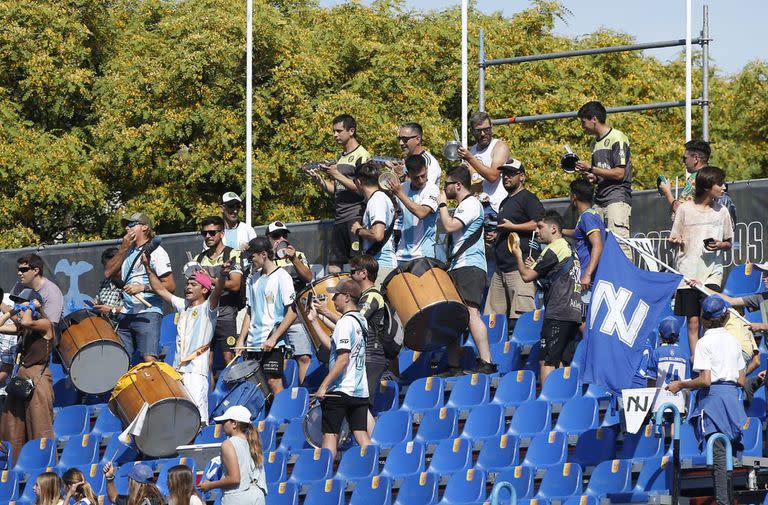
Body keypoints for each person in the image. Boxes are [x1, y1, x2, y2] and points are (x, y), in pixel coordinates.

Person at [667, 295, 746, 505]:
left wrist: (681, 385)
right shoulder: (734, 341)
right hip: (732, 399)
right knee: (726, 455)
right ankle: (726, 498)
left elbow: (705, 380)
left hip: (713, 401)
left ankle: (723, 501)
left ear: (704, 318)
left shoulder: (703, 343)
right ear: (725, 315)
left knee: (719, 455)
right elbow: (741, 379)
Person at [144, 253, 227, 425]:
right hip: (177, 373)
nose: (188, 286)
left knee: (198, 420)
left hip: (197, 374)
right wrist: (147, 268)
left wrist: (223, 276)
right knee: (179, 421)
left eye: (193, 284)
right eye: (187, 283)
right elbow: (160, 289)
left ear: (204, 289)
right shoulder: (183, 306)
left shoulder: (208, 308)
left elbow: (217, 292)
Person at [312, 255, 391, 434]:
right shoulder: (364, 297)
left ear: (364, 273)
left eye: (353, 271)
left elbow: (356, 321)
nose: (350, 274)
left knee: (363, 408)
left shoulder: (372, 296)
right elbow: (347, 324)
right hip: (364, 355)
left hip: (370, 356)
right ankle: (368, 446)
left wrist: (325, 311)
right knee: (358, 408)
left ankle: (373, 447)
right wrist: (320, 317)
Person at [669, 166, 733, 357]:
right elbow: (674, 238)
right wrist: (676, 241)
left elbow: (729, 243)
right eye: (720, 184)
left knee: (711, 319)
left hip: (712, 272)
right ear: (707, 186)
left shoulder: (722, 211)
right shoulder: (685, 210)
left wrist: (720, 244)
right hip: (687, 273)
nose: (724, 188)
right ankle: (697, 362)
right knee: (693, 321)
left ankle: (712, 360)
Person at [438, 165, 496, 375]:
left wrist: (442, 204)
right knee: (454, 316)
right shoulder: (466, 205)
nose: (444, 189)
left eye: (447, 185)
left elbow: (450, 226)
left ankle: (486, 362)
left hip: (470, 267)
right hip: (459, 266)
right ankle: (453, 365)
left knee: (472, 313)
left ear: (458, 185)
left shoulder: (470, 203)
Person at [513, 211, 583, 384]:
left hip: (558, 311)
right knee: (561, 361)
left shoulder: (554, 248)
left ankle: (548, 404)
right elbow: (552, 276)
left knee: (546, 361)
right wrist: (535, 267)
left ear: (553, 228)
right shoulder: (569, 248)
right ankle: (563, 402)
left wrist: (518, 256)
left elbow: (526, 276)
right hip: (573, 312)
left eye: (540, 227)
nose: (537, 231)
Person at [307, 280, 371, 460]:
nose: (333, 299)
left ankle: (325, 476)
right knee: (361, 434)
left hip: (340, 389)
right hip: (359, 390)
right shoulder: (361, 321)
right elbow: (333, 347)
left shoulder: (344, 323)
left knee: (330, 435)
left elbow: (342, 359)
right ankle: (373, 468)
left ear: (347, 297)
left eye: (336, 295)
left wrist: (323, 386)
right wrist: (315, 321)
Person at [104, 212, 175, 363]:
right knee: (120, 361)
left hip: (148, 313)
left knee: (149, 359)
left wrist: (142, 287)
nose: (127, 229)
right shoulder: (127, 251)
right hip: (126, 313)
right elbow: (108, 272)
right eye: (126, 227)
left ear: (145, 227)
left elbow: (169, 286)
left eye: (131, 225)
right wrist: (123, 248)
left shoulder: (157, 252)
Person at [484, 159, 544, 326]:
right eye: (504, 174)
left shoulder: (528, 198)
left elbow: (538, 224)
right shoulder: (505, 202)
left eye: (511, 174)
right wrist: (497, 235)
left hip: (520, 268)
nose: (506, 178)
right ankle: (497, 352)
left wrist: (513, 227)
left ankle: (523, 353)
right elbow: (507, 228)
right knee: (493, 320)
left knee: (521, 319)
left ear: (522, 176)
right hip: (500, 269)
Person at [236, 237, 297, 396]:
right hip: (252, 343)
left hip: (273, 343)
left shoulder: (282, 276)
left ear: (264, 254)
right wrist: (241, 340)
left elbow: (292, 312)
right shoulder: (252, 279)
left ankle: (282, 420)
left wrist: (274, 338)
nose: (250, 260)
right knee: (256, 387)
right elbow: (250, 311)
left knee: (273, 382)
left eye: (252, 257)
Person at [310, 114, 370, 274]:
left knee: (356, 264)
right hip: (339, 219)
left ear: (351, 131)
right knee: (333, 266)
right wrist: (320, 181)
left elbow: (363, 190)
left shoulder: (362, 156)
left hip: (355, 218)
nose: (335, 135)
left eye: (338, 131)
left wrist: (336, 174)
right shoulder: (341, 157)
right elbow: (337, 190)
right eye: (333, 131)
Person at [0, 289, 55, 463]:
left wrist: (31, 307)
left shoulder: (45, 324)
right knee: (12, 425)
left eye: (22, 302)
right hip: (22, 378)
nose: (21, 306)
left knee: (39, 426)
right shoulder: (23, 327)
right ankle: (16, 465)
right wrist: (13, 310)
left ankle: (43, 468)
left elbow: (26, 322)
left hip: (38, 379)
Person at [574, 101, 633, 259]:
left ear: (594, 119)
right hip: (599, 199)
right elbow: (600, 173)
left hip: (617, 198)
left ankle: (628, 281)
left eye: (583, 122)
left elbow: (619, 173)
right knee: (597, 242)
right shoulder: (595, 143)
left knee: (619, 243)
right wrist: (591, 176)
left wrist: (591, 169)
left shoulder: (617, 138)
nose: (582, 126)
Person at [266, 221, 314, 384]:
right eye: (276, 236)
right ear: (268, 239)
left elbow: (308, 277)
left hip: (296, 317)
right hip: (272, 318)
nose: (281, 239)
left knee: (304, 357)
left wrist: (293, 258)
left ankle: (303, 399)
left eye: (284, 235)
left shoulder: (298, 255)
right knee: (277, 360)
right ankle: (279, 401)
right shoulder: (264, 258)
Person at [196, 216, 243, 374]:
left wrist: (210, 280)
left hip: (226, 313)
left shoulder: (233, 254)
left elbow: (235, 285)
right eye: (204, 233)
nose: (208, 236)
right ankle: (209, 397)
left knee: (228, 359)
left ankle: (236, 395)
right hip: (206, 315)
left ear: (221, 234)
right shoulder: (199, 258)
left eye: (212, 233)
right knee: (205, 362)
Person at [198, 405, 267, 505]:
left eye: (225, 421)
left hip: (237, 498)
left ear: (234, 424)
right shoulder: (253, 442)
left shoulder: (228, 444)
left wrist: (210, 485)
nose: (222, 425)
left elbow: (234, 478)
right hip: (258, 497)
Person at [658, 139, 738, 224]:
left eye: (685, 158)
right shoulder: (714, 176)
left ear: (696, 158)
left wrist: (667, 193)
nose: (683, 162)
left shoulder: (696, 178)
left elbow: (680, 210)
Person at [351, 161, 397, 287]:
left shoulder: (376, 200)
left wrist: (358, 230)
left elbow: (377, 235)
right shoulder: (379, 198)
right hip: (379, 265)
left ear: (359, 182)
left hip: (382, 265)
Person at [386, 154, 439, 265]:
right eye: (416, 177)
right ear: (408, 174)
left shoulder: (432, 189)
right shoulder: (402, 187)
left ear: (427, 169)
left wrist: (399, 194)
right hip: (401, 254)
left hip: (423, 255)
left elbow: (421, 213)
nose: (420, 180)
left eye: (423, 175)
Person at [457, 111, 511, 213]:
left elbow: (493, 176)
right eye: (478, 131)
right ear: (472, 131)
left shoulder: (499, 147)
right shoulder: (472, 150)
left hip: (494, 207)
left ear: (492, 127)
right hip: (475, 207)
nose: (482, 134)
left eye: (486, 130)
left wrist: (470, 159)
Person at [563, 179, 606, 292]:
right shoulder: (589, 215)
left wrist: (587, 274)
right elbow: (578, 233)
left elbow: (598, 245)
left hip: (588, 281)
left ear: (574, 196)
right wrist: (560, 231)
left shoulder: (588, 217)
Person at [10, 254, 64, 325]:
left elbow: (50, 327)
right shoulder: (19, 285)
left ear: (36, 271)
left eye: (23, 270)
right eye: (19, 270)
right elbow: (15, 316)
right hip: (22, 329)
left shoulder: (51, 292)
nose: (19, 273)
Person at [390, 122, 442, 186]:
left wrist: (401, 175)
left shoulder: (429, 162)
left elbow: (424, 188)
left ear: (418, 139)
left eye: (405, 139)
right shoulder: (406, 159)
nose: (401, 143)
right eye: (399, 139)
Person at [645, 316, 691, 388]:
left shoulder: (656, 353)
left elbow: (651, 380)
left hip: (660, 397)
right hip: (679, 398)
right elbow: (687, 383)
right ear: (678, 335)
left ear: (660, 335)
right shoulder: (684, 355)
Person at [92, 247, 123, 321]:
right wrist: (94, 304)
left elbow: (133, 310)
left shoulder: (130, 282)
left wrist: (111, 309)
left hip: (121, 326)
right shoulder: (105, 282)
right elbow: (98, 300)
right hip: (103, 325)